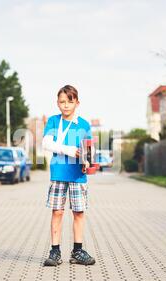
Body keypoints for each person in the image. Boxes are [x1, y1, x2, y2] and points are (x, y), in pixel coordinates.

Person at [42, 84, 96, 266]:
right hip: (58, 173)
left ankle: (78, 251)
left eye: (69, 101)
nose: (65, 105)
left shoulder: (84, 124)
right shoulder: (53, 121)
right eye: (62, 102)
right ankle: (55, 251)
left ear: (77, 103)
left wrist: (88, 161)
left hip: (77, 175)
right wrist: (71, 151)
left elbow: (89, 150)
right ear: (57, 103)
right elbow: (47, 144)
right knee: (57, 212)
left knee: (78, 213)